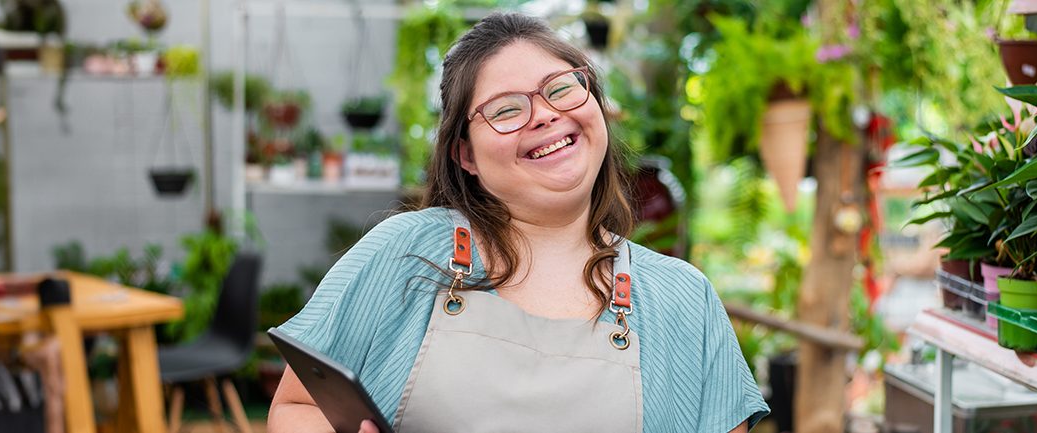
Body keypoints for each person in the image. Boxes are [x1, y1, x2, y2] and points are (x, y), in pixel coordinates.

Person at [267, 12, 768, 433]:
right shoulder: (404, 251)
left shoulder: (683, 300)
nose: (546, 115)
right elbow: (296, 407)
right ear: (466, 154)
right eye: (507, 109)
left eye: (561, 89)